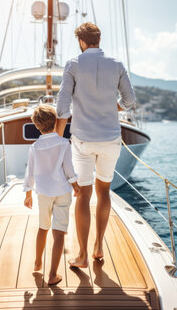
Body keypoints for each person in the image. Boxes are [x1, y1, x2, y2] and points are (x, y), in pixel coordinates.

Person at [56, 22, 135, 268]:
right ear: (98, 39)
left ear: (81, 41)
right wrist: (113, 107)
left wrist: (57, 142)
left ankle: (81, 256)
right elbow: (130, 100)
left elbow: (61, 108)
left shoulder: (73, 65)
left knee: (83, 194)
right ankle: (99, 248)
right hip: (111, 139)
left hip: (83, 140)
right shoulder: (117, 65)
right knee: (104, 192)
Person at [24, 104, 80, 285]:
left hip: (43, 193)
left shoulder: (34, 147)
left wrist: (27, 193)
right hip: (62, 191)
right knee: (59, 233)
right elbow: (68, 169)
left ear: (36, 125)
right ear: (56, 122)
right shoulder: (64, 143)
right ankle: (52, 275)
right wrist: (76, 186)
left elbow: (30, 172)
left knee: (43, 227)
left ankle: (38, 261)